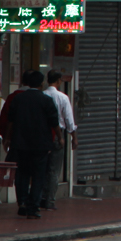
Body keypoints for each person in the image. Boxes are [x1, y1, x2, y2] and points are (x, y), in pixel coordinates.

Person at [0, 70, 59, 219]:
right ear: (41, 84)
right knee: (38, 176)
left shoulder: (18, 99)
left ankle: (23, 203)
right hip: (40, 145)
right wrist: (60, 137)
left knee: (22, 174)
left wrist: (7, 139)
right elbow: (54, 122)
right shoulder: (46, 100)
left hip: (20, 143)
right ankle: (33, 207)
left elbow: (10, 121)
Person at [43, 70, 78, 210]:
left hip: (42, 136)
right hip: (58, 136)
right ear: (58, 81)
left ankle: (40, 198)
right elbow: (69, 120)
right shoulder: (62, 97)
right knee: (53, 170)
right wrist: (74, 137)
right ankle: (49, 201)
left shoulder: (42, 95)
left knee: (41, 169)